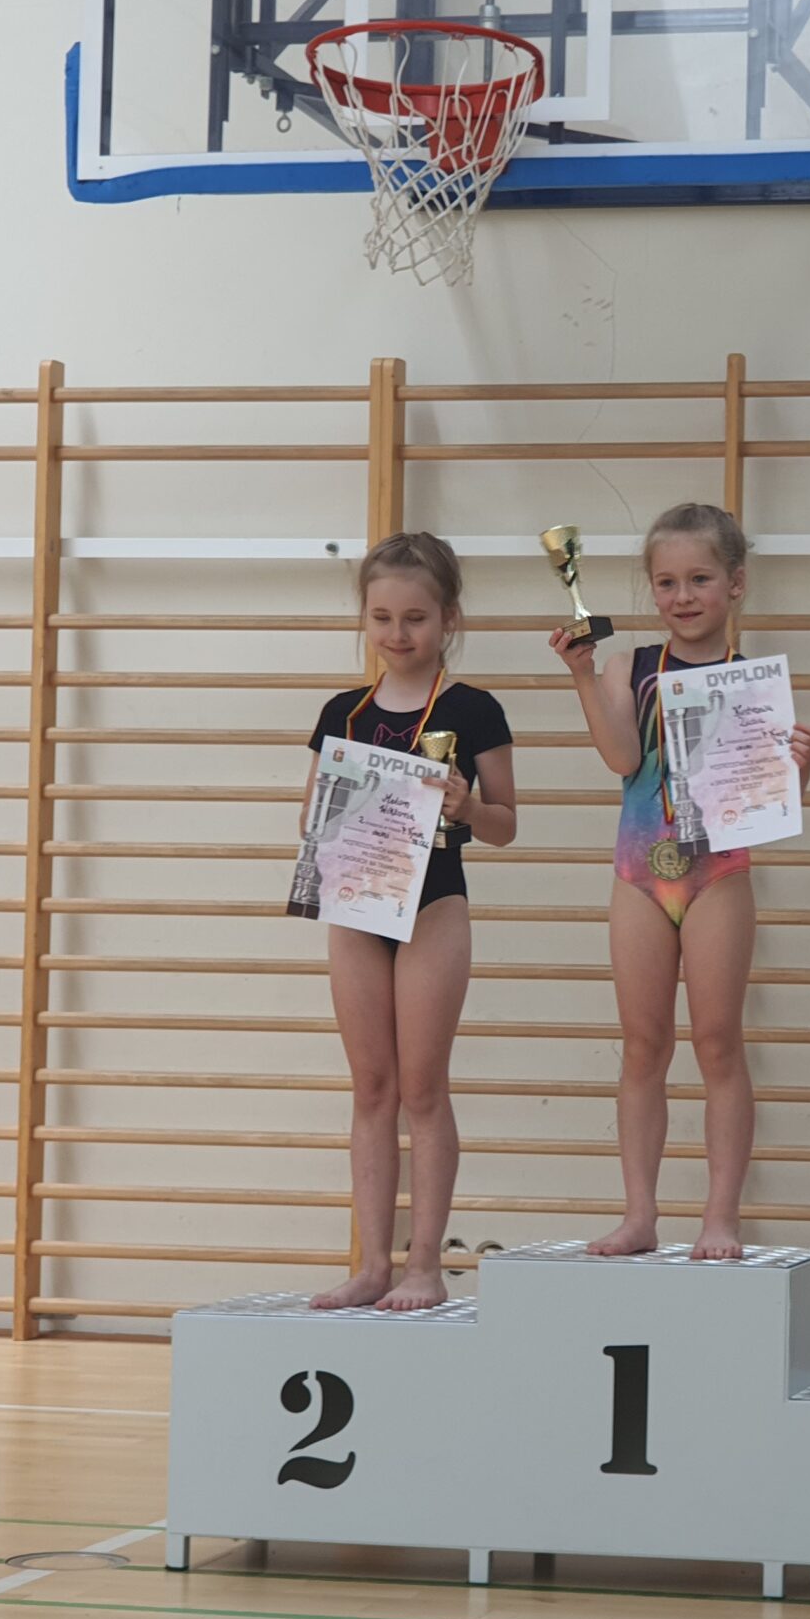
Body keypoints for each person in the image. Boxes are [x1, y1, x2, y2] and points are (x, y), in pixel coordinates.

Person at [550, 502, 810, 1260]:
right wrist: (582, 675)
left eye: (700, 579)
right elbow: (621, 759)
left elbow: (767, 803)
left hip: (717, 874)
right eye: (666, 582)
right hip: (640, 871)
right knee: (642, 1045)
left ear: (736, 584)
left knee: (719, 1043)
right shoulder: (630, 667)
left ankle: (721, 1216)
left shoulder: (753, 683)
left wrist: (798, 771)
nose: (683, 595)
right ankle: (639, 1213)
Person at [304, 531, 515, 1310]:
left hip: (433, 903)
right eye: (382, 618)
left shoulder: (472, 709)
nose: (398, 634)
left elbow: (506, 824)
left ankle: (424, 1264)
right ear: (365, 618)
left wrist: (466, 805)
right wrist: (331, 815)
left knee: (422, 1088)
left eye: (416, 618)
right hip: (359, 905)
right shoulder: (342, 713)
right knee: (372, 1088)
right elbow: (313, 816)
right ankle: (370, 1264)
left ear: (449, 617)